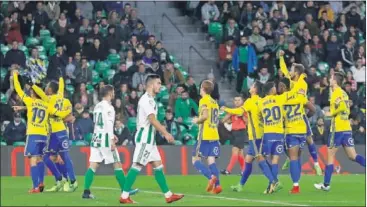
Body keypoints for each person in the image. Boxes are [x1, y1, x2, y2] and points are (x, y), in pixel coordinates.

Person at [119, 75, 184, 204]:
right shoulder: (147, 100)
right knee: (137, 165)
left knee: (158, 165)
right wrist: (166, 133)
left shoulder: (151, 100)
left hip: (150, 139)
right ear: (151, 85)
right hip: (145, 138)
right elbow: (152, 119)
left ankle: (168, 195)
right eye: (158, 83)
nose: (161, 86)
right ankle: (124, 196)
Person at [222, 81, 281, 194]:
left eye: (253, 85)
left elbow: (239, 111)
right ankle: (240, 185)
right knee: (248, 160)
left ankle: (274, 181)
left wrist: (226, 109)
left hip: (255, 136)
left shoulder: (251, 101)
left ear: (255, 89)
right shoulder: (261, 101)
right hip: (262, 134)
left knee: (260, 159)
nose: (251, 86)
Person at [82, 85, 139, 199]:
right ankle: (125, 190)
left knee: (93, 164)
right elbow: (108, 124)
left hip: (96, 138)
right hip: (105, 139)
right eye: (112, 92)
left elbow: (97, 123)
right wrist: (111, 139)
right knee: (117, 163)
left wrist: (112, 135)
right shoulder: (109, 107)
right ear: (109, 93)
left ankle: (86, 192)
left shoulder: (97, 106)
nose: (113, 94)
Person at [314, 73, 366, 191]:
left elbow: (342, 107)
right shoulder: (343, 93)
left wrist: (331, 113)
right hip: (346, 128)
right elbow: (345, 108)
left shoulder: (336, 91)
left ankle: (326, 184)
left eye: (331, 78)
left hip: (337, 129)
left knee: (330, 156)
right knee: (352, 156)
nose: (329, 79)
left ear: (335, 81)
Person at [12, 71, 61, 193]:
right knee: (39, 159)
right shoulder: (46, 103)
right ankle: (41, 183)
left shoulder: (30, 101)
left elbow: (18, 89)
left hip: (33, 134)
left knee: (33, 159)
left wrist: (15, 76)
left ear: (33, 94)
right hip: (43, 135)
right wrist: (32, 84)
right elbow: (42, 96)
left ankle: (35, 187)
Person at [279, 51, 322, 176]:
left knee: (309, 140)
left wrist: (287, 97)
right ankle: (290, 158)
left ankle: (316, 164)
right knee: (286, 140)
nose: (289, 72)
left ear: (296, 72)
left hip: (300, 114)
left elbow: (301, 99)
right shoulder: (292, 81)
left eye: (291, 70)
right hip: (289, 115)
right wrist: (281, 57)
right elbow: (283, 69)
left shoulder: (302, 83)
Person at [32, 77, 78, 192]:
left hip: (54, 132)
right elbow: (61, 88)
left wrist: (31, 85)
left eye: (47, 86)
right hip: (62, 130)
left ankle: (63, 179)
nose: (46, 88)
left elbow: (40, 93)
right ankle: (69, 180)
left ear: (50, 90)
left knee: (52, 157)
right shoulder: (63, 98)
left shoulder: (48, 99)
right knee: (62, 156)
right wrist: (61, 78)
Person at [277, 76, 315, 194]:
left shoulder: (281, 98)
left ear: (283, 87)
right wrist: (303, 118)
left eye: (279, 86)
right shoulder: (300, 96)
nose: (278, 88)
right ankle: (297, 183)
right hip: (302, 130)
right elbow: (312, 109)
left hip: (291, 130)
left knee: (292, 157)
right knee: (298, 156)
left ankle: (295, 186)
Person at [191, 80, 222, 194]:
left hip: (204, 135)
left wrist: (196, 120)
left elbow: (204, 116)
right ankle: (218, 186)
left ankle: (210, 177)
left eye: (200, 87)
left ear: (203, 89)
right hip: (214, 135)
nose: (199, 89)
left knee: (195, 160)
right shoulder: (214, 102)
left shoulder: (203, 100)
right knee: (211, 161)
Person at [220, 96, 247, 175]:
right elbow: (223, 120)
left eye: (239, 100)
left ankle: (228, 170)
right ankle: (244, 171)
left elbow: (247, 122)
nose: (237, 102)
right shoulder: (232, 111)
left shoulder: (244, 110)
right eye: (235, 100)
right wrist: (226, 119)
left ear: (242, 101)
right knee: (240, 153)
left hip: (241, 132)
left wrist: (242, 116)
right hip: (234, 133)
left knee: (235, 150)